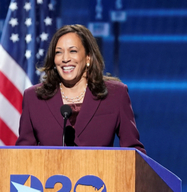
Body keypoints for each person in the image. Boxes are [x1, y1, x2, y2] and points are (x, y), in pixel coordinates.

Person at [16, 24, 146, 154]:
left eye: (73, 51)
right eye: (59, 52)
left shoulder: (115, 94)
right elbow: (23, 155)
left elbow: (133, 152)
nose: (65, 59)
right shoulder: (34, 98)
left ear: (88, 57)